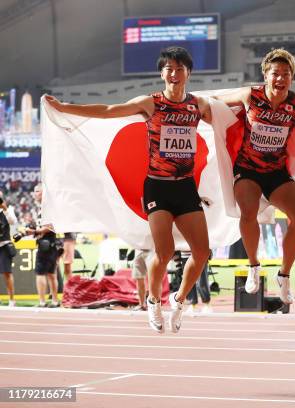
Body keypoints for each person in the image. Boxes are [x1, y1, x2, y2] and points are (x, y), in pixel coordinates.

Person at [44, 46, 212, 334]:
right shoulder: (150, 104)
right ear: (161, 73)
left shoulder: (199, 105)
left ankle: (179, 300)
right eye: (168, 68)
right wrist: (64, 107)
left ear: (189, 72)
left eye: (179, 68)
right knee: (165, 250)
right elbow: (108, 111)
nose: (174, 73)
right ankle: (153, 300)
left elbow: (229, 115)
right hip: (157, 186)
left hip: (185, 187)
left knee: (202, 251)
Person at [213, 49, 295, 305]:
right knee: (248, 211)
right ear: (265, 75)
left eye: (285, 74)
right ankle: (254, 265)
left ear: (292, 78)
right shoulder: (250, 95)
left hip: (276, 172)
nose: (280, 79)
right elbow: (215, 99)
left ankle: (285, 275)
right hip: (248, 170)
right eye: (275, 74)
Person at [25, 184, 60, 308]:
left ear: (43, 193)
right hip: (51, 244)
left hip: (46, 244)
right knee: (51, 274)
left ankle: (42, 302)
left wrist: (35, 232)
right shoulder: (44, 207)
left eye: (37, 191)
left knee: (40, 273)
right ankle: (55, 301)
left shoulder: (46, 207)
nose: (35, 193)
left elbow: (51, 226)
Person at [0, 192, 18, 307]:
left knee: (7, 273)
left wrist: (5, 209)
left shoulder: (8, 210)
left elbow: (12, 222)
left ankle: (11, 299)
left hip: (4, 245)